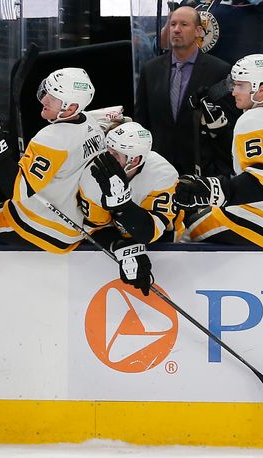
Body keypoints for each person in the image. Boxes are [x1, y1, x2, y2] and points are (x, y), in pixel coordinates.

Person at [0, 67, 104, 253]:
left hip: (43, 227)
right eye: (47, 91)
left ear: (71, 107)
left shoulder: (50, 139)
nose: (44, 100)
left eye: (52, 98)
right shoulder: (91, 123)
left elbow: (17, 191)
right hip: (76, 225)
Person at [77, 122, 180, 295]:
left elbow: (150, 233)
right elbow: (96, 228)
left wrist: (122, 204)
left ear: (135, 160)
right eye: (107, 150)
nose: (107, 159)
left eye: (115, 154)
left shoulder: (162, 174)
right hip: (119, 241)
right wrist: (119, 246)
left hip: (166, 245)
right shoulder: (91, 177)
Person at [175, 54, 263, 246]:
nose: (233, 92)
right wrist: (220, 130)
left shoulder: (255, 119)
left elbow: (260, 180)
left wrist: (213, 190)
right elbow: (244, 162)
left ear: (261, 90)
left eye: (240, 86)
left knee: (190, 227)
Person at [134, 6, 233, 176]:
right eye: (172, 24)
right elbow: (142, 120)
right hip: (158, 168)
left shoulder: (219, 71)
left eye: (184, 25)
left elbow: (226, 126)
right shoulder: (150, 70)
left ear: (198, 31)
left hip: (203, 170)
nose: (176, 30)